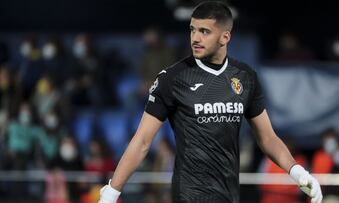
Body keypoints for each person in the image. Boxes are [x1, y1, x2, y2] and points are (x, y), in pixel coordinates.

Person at [98, 1, 323, 203]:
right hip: (189, 195)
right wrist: (112, 191)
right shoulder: (172, 79)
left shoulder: (245, 77)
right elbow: (142, 140)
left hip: (230, 195)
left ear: (225, 37)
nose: (195, 38)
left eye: (204, 31)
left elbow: (267, 138)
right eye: (193, 30)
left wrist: (298, 173)